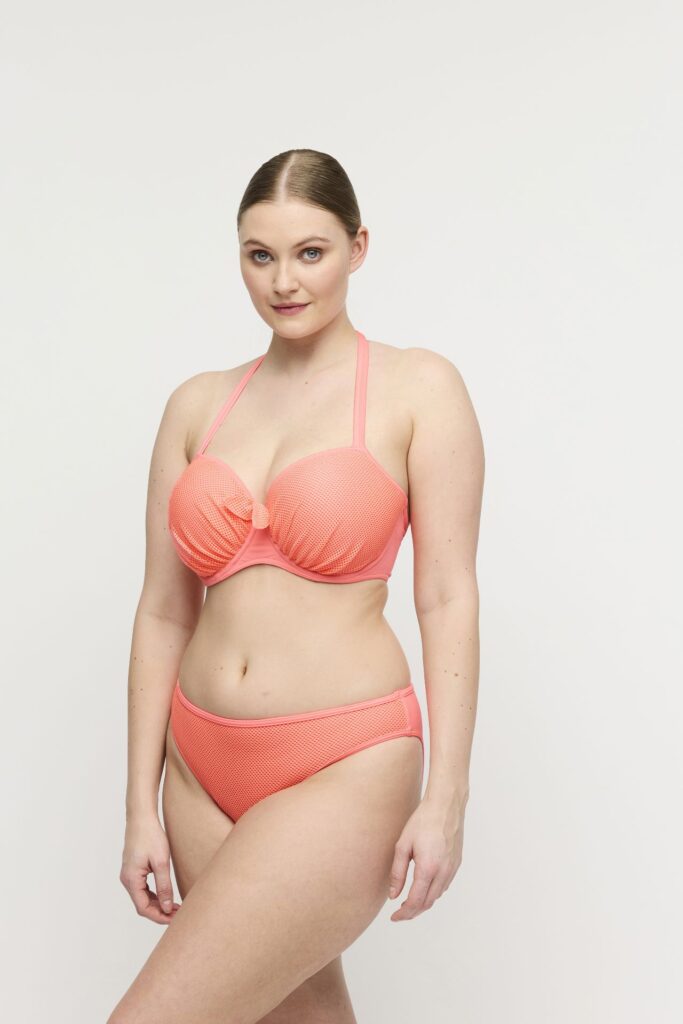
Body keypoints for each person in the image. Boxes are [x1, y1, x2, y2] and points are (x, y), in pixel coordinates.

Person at [107, 148, 484, 1024]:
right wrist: (138, 806)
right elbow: (162, 612)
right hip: (198, 768)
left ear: (357, 247)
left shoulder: (418, 389)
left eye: (310, 252)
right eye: (260, 255)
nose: (284, 281)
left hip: (342, 762)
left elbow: (446, 597)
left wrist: (446, 798)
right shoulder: (197, 405)